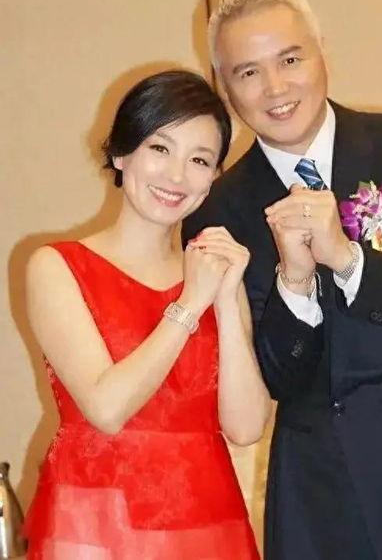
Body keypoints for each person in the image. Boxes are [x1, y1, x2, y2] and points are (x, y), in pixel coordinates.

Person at [183, 0, 382, 560]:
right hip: (329, 492)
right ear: (223, 85)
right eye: (248, 72)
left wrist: (349, 260)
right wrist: (295, 281)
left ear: (321, 51)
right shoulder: (217, 211)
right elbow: (276, 379)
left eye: (290, 59)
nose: (275, 88)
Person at [24, 70, 270, 559]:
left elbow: (245, 428)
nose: (177, 176)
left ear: (213, 178)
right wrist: (191, 303)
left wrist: (224, 299)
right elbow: (106, 408)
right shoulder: (57, 266)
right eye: (160, 148)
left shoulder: (213, 274)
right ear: (121, 153)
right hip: (95, 525)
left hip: (209, 523)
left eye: (199, 160)